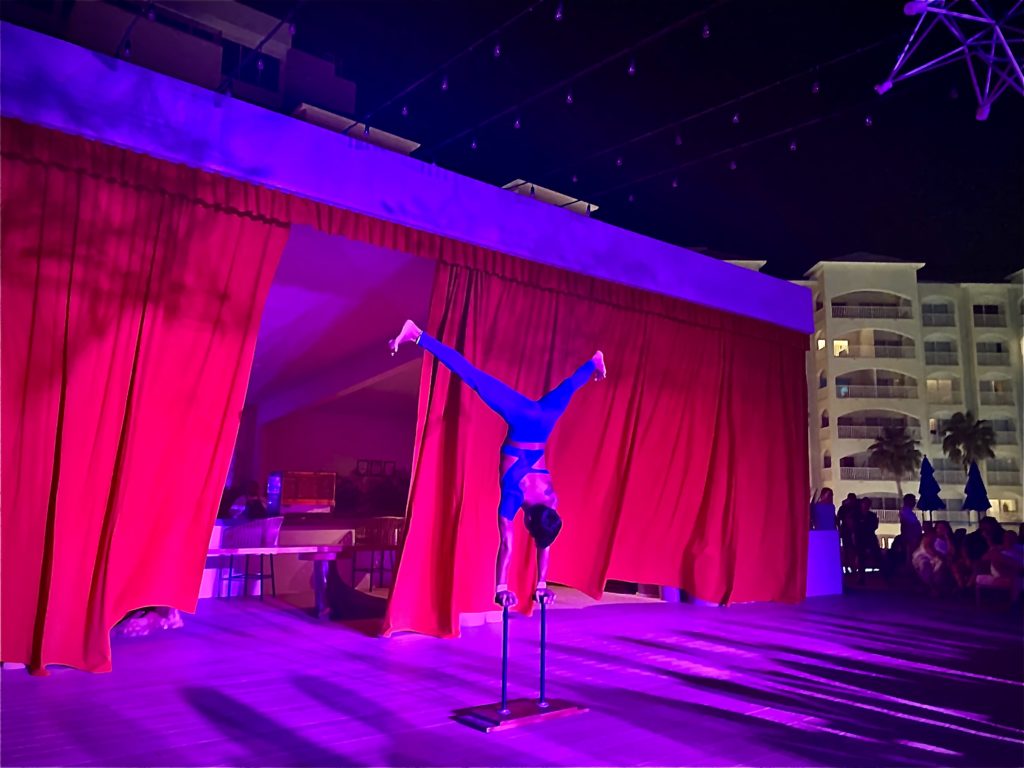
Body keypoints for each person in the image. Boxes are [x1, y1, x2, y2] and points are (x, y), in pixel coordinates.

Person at [389, 319, 606, 609]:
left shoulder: (551, 503)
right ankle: (416, 335)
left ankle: (594, 363)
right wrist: (501, 588)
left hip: (543, 424)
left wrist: (542, 584)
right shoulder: (513, 499)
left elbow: (545, 542)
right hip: (523, 420)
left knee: (567, 389)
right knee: (474, 378)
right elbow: (508, 546)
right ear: (527, 521)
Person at [898, 493, 922, 563]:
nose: (914, 503)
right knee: (910, 555)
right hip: (911, 537)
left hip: (912, 537)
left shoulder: (907, 512)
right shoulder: (906, 512)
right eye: (913, 501)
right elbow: (909, 525)